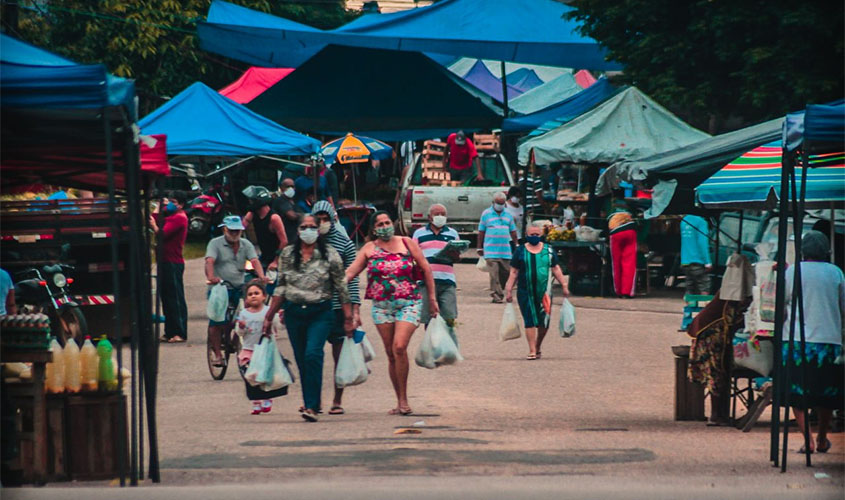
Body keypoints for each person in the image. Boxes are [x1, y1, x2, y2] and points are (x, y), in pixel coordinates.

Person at [345, 211, 438, 416]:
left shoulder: (406, 243)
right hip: (382, 306)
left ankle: (405, 400)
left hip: (409, 302)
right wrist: (335, 284)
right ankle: (399, 400)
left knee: (399, 346)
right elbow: (351, 273)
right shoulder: (369, 248)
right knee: (390, 353)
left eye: (388, 222)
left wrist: (432, 298)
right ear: (374, 229)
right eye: (380, 224)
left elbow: (426, 269)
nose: (385, 226)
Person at [263, 214, 353, 422]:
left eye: (312, 227)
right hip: (295, 312)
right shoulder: (288, 254)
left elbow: (341, 286)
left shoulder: (329, 254)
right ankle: (311, 401)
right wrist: (269, 316)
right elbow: (282, 286)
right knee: (303, 359)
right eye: (304, 227)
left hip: (320, 311)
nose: (308, 231)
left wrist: (349, 317)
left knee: (313, 354)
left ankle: (311, 406)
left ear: (319, 229)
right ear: (298, 230)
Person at [782, 230, 844, 453]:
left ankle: (807, 439)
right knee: (827, 394)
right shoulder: (836, 273)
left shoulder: (792, 273)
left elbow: (782, 303)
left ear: (803, 251)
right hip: (829, 340)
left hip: (798, 340)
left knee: (797, 393)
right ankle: (822, 437)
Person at [312, 201, 361, 415]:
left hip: (337, 307)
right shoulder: (305, 244)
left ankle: (337, 398)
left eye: (325, 219)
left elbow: (353, 280)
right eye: (318, 219)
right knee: (312, 355)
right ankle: (312, 399)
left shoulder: (345, 244)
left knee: (338, 355)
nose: (322, 223)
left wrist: (354, 312)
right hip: (312, 306)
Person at [205, 215, 266, 366]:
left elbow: (254, 260)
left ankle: (235, 340)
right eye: (231, 230)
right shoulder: (215, 244)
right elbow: (209, 261)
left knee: (248, 310)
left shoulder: (246, 244)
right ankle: (218, 354)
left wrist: (261, 276)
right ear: (225, 229)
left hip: (239, 285)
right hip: (220, 287)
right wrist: (211, 276)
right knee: (216, 321)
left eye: (237, 231)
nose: (234, 233)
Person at [504, 223, 570, 360]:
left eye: (537, 235)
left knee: (543, 321)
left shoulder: (548, 250)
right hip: (525, 291)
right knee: (529, 319)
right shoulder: (520, 251)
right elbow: (514, 271)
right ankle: (532, 349)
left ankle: (538, 345)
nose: (534, 237)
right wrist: (508, 289)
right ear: (526, 236)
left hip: (544, 293)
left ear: (541, 236)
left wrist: (564, 284)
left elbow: (555, 268)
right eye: (531, 235)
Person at [235, 280, 287, 415]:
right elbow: (239, 333)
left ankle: (267, 397)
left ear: (264, 296)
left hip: (265, 350)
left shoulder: (269, 312)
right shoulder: (244, 314)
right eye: (250, 294)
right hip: (249, 350)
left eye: (256, 293)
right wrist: (241, 326)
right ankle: (256, 401)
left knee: (265, 374)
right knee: (251, 376)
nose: (253, 296)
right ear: (246, 298)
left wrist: (282, 319)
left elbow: (279, 326)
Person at [412, 204, 460, 329]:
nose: (440, 217)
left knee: (449, 317)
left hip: (447, 281)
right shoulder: (419, 233)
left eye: (443, 214)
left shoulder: (452, 234)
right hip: (425, 282)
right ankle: (432, 345)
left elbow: (457, 258)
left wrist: (454, 253)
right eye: (437, 214)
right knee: (429, 318)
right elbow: (413, 255)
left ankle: (448, 345)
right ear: (429, 217)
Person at [149, 191, 189, 343]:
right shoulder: (171, 216)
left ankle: (179, 331)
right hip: (164, 260)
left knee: (175, 298)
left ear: (181, 204)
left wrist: (154, 226)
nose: (170, 204)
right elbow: (153, 217)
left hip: (173, 262)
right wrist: (159, 206)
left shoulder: (180, 218)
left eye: (174, 202)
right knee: (165, 297)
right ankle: (170, 331)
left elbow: (162, 234)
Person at [478, 192, 518, 303]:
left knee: (505, 272)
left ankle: (499, 290)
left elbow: (513, 231)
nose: (500, 205)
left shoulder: (508, 215)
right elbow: (481, 231)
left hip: (505, 250)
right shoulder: (486, 214)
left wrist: (516, 244)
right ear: (493, 203)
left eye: (502, 203)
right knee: (494, 273)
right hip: (490, 250)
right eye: (498, 203)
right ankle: (496, 294)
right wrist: (479, 247)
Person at [243, 186, 287, 272]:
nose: (250, 203)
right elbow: (242, 226)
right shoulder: (253, 213)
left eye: (251, 201)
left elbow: (284, 241)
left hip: (276, 258)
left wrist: (275, 261)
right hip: (263, 256)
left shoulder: (274, 218)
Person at [607, 198, 637, 298]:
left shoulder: (609, 204)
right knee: (629, 263)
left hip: (615, 232)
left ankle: (618, 291)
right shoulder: (632, 203)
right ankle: (627, 292)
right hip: (630, 230)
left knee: (616, 263)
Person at [680, 214, 712, 295]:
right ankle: (702, 306)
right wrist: (707, 262)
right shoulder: (701, 222)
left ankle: (689, 306)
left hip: (685, 261)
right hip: (698, 261)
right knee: (704, 286)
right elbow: (702, 243)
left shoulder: (684, 221)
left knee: (689, 287)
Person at [273, 177, 303, 247]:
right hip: (285, 237)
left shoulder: (295, 201)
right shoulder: (280, 200)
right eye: (288, 186)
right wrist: (303, 215)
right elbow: (291, 216)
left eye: (292, 186)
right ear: (281, 188)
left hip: (295, 236)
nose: (290, 189)